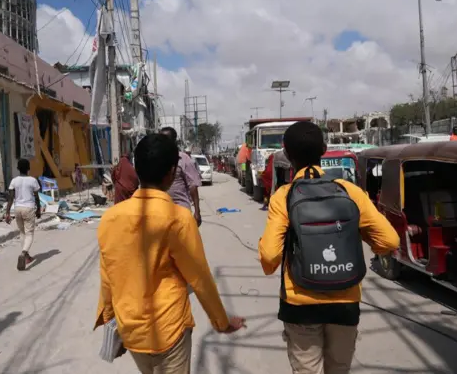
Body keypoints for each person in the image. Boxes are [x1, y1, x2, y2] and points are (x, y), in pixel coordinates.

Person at [94, 134, 245, 374]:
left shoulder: (110, 219)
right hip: (169, 330)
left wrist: (111, 322)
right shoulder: (177, 218)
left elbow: (108, 275)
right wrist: (221, 322)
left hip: (130, 330)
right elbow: (200, 278)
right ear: (172, 172)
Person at [258, 122, 400, 374]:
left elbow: (270, 256)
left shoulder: (284, 196)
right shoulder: (350, 192)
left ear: (287, 153)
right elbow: (389, 241)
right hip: (345, 301)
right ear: (324, 150)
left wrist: (270, 264)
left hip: (299, 304)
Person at [159, 127, 203, 226]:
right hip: (161, 210)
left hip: (181, 209)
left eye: (166, 139)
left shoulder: (184, 159)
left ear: (174, 141)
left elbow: (192, 186)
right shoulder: (156, 159)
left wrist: (197, 211)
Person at [5, 159, 42, 271]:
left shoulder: (14, 181)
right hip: (29, 208)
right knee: (29, 233)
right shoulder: (33, 180)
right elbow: (36, 197)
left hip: (17, 208)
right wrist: (38, 209)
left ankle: (27, 257)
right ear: (28, 168)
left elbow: (11, 198)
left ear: (18, 168)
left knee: (22, 232)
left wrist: (7, 212)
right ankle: (23, 253)